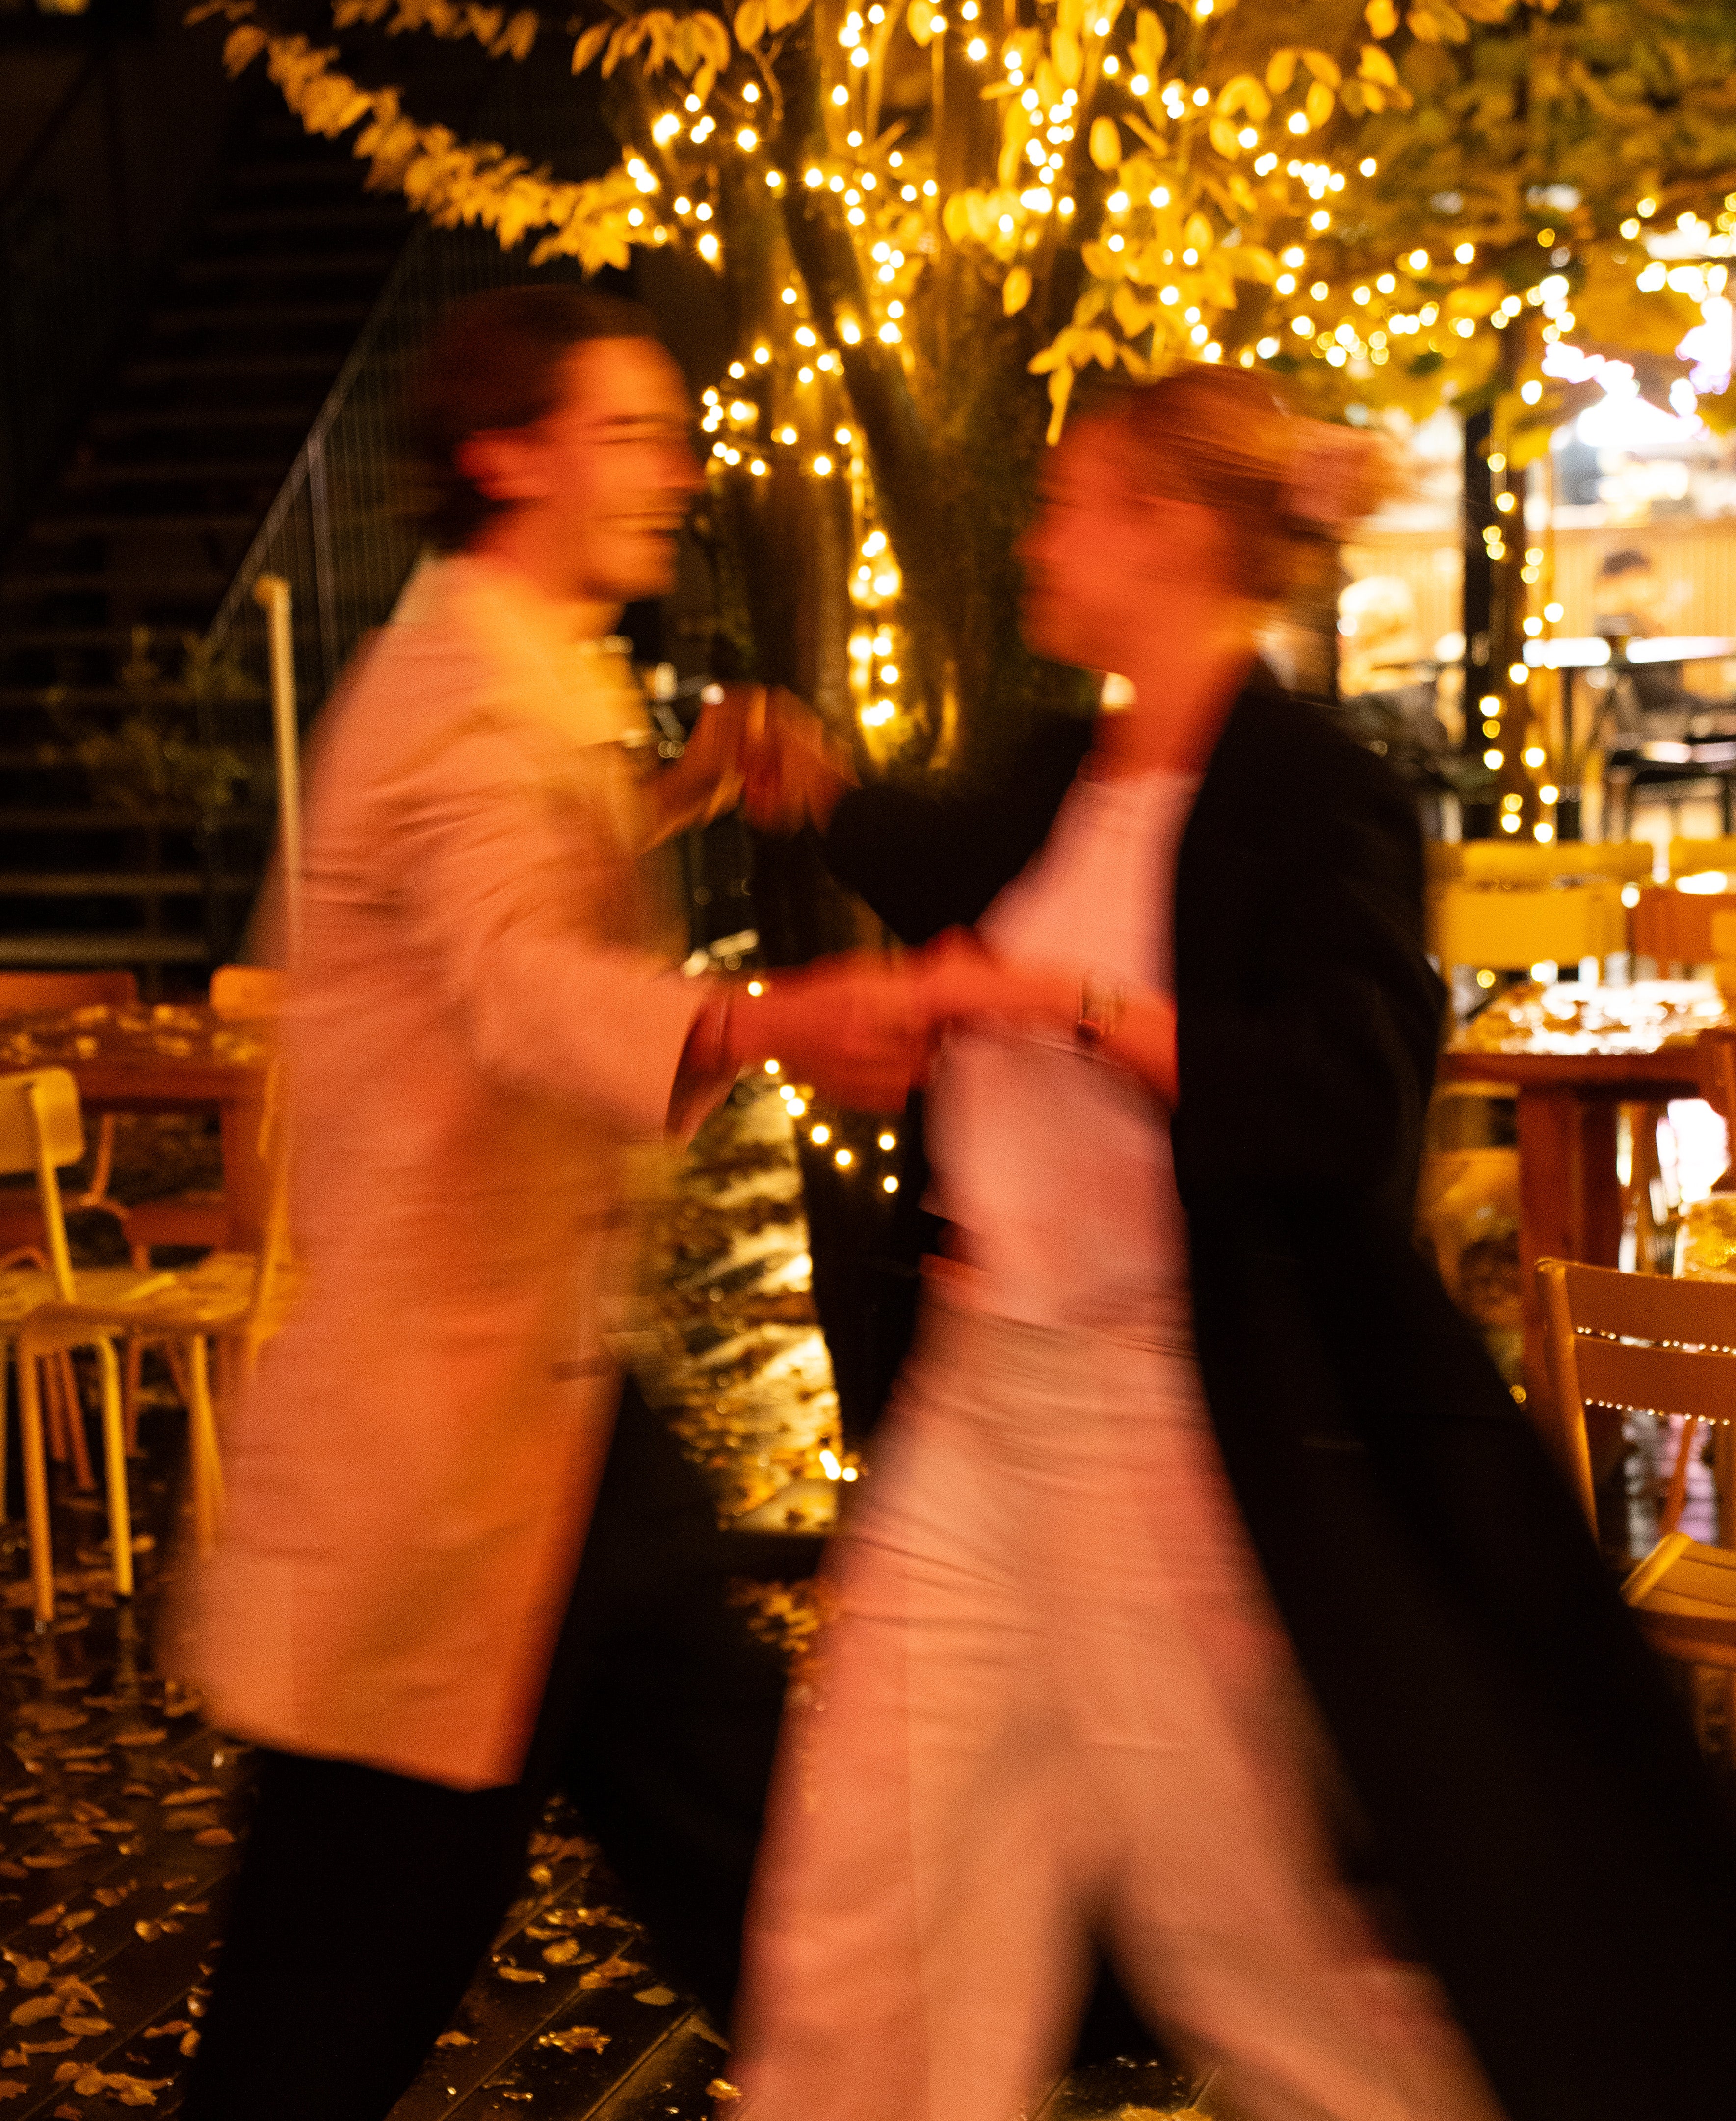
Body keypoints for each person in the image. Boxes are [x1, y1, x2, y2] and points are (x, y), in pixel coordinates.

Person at [726, 366, 1736, 2121]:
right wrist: (841, 853)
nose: (1035, 540)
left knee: (1245, 1944)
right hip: (974, 1406)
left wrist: (1063, 1007)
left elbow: (1340, 1106)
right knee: (875, 1910)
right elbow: (946, 878)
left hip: (1157, 1430)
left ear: (1173, 532)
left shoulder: (1317, 794)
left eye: (1067, 506)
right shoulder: (1061, 768)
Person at [172, 285, 924, 2121]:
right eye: (628, 436)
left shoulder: (511, 657)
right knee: (331, 1987)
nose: (676, 473)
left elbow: (508, 886)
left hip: (543, 1425)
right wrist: (771, 1018)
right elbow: (514, 979)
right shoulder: (461, 699)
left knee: (761, 1882)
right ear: (505, 458)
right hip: (450, 1454)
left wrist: (677, 793)